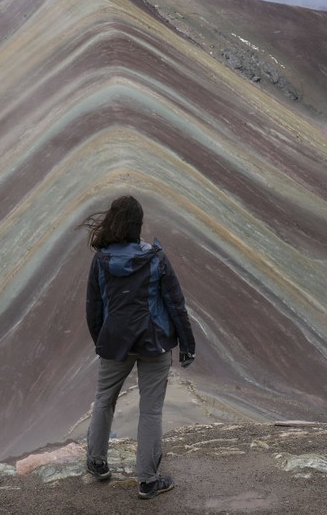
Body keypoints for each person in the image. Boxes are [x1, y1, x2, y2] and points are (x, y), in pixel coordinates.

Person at [80, 195, 196, 500]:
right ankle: (147, 480)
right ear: (137, 224)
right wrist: (187, 344)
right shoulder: (155, 257)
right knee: (151, 410)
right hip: (153, 341)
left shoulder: (101, 260)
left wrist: (101, 341)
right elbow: (175, 303)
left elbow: (93, 307)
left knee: (104, 399)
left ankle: (96, 462)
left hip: (114, 341)